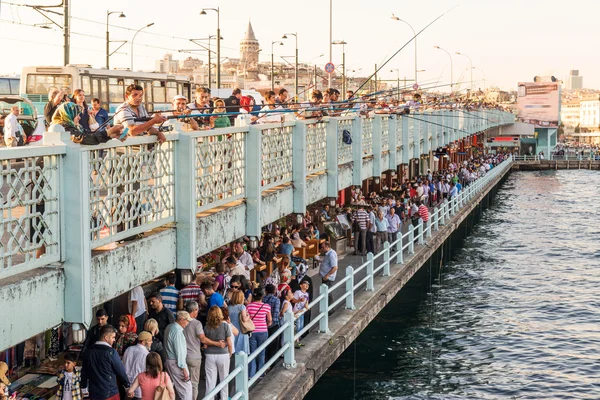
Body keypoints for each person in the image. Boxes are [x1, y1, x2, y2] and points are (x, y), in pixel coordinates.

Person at [183, 301, 225, 400]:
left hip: (183, 356)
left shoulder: (181, 321)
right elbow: (203, 339)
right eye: (197, 310)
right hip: (194, 356)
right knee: (194, 383)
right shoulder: (196, 323)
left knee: (184, 382)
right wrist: (217, 344)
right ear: (194, 310)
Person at [81, 325, 130, 400]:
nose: (114, 340)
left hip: (94, 393)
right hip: (110, 393)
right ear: (106, 337)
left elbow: (84, 371)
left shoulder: (88, 351)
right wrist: (127, 386)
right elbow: (121, 372)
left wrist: (83, 387)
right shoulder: (111, 352)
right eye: (113, 337)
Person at [52, 102, 123, 145]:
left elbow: (89, 135)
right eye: (76, 115)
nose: (79, 118)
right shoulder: (64, 128)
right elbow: (86, 138)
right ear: (68, 115)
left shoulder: (73, 127)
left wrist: (110, 135)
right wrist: (108, 132)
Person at [203, 306, 233, 400]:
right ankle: (223, 398)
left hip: (210, 355)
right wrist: (230, 353)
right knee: (224, 380)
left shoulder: (206, 327)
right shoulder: (225, 326)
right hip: (223, 355)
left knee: (210, 381)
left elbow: (205, 345)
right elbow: (229, 342)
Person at [163, 311, 193, 400]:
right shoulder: (177, 332)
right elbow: (179, 353)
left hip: (168, 361)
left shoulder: (169, 327)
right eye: (187, 321)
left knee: (174, 388)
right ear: (181, 320)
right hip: (176, 363)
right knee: (186, 389)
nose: (188, 323)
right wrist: (184, 369)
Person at [247, 287, 272, 378]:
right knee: (262, 352)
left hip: (252, 331)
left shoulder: (249, 306)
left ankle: (251, 373)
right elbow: (270, 320)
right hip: (263, 331)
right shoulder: (266, 306)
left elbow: (247, 318)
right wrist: (266, 325)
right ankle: (261, 373)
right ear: (262, 296)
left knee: (252, 352)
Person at [122, 331, 152, 400]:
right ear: (143, 342)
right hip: (139, 390)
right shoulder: (146, 354)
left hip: (126, 386)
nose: (151, 343)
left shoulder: (128, 349)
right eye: (150, 341)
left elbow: (123, 367)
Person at [227, 290, 250, 355]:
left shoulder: (228, 307)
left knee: (233, 350)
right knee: (242, 353)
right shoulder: (242, 307)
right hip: (241, 331)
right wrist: (248, 316)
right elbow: (244, 319)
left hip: (232, 331)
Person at [262, 283, 281, 359]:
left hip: (264, 324)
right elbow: (276, 313)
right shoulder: (276, 300)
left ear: (266, 291)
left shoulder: (263, 299)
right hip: (274, 325)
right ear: (274, 291)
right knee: (273, 345)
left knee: (265, 345)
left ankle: (266, 361)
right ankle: (272, 362)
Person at [317, 241, 338, 307]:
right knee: (326, 292)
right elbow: (326, 263)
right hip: (326, 277)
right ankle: (327, 307)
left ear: (327, 247)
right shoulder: (328, 254)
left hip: (328, 278)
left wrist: (327, 275)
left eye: (323, 248)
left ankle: (330, 308)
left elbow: (335, 267)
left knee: (328, 293)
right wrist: (319, 260)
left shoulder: (331, 254)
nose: (322, 249)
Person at [291, 280, 310, 347]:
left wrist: (307, 307)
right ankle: (296, 342)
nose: (307, 285)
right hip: (296, 311)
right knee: (297, 326)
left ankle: (298, 341)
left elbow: (306, 302)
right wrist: (299, 300)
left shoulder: (307, 294)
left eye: (308, 285)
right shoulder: (297, 292)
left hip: (302, 312)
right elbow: (293, 300)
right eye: (305, 284)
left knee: (301, 327)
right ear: (301, 285)